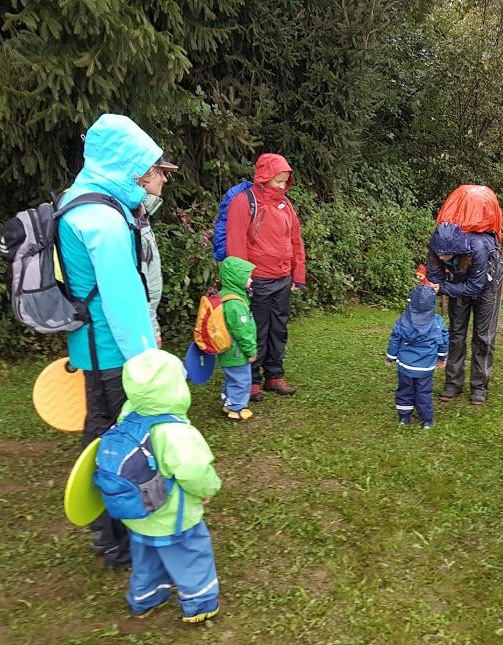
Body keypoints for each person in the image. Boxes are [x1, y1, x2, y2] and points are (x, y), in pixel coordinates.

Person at [58, 113, 173, 569]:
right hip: (112, 352)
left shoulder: (81, 201)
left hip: (93, 346)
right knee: (119, 444)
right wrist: (148, 364)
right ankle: (120, 541)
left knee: (102, 435)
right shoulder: (102, 221)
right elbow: (122, 299)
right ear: (130, 168)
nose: (156, 179)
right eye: (151, 170)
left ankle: (113, 534)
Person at [116, 349, 222, 624]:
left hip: (137, 513)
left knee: (146, 557)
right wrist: (209, 489)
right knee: (191, 553)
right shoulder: (176, 432)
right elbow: (194, 470)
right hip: (173, 515)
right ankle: (199, 602)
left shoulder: (127, 416)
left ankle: (144, 598)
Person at [225, 153, 306, 402]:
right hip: (257, 279)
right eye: (277, 181)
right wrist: (241, 279)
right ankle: (251, 379)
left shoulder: (286, 204)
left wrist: (298, 274)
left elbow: (295, 240)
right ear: (264, 178)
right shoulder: (243, 202)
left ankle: (274, 375)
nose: (282, 186)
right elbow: (236, 243)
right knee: (255, 330)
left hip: (282, 278)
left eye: (285, 181)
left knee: (278, 330)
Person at [426, 222, 503, 405]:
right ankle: (453, 383)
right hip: (459, 282)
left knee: (483, 337)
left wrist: (443, 288)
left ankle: (479, 387)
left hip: (487, 286)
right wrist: (436, 286)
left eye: (446, 253)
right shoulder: (435, 251)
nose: (441, 257)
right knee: (456, 333)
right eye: (439, 253)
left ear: (457, 248)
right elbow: (436, 278)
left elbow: (475, 286)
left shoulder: (478, 248)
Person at [385, 284, 449, 429]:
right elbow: (443, 341)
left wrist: (390, 357)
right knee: (424, 392)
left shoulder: (402, 321)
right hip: (425, 367)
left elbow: (395, 340)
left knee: (404, 390)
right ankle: (427, 420)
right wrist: (442, 357)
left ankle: (404, 417)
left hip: (405, 366)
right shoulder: (437, 322)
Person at [218, 256, 258, 422]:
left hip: (228, 350)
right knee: (241, 379)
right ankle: (237, 409)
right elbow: (242, 332)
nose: (251, 280)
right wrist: (251, 351)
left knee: (232, 377)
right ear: (236, 278)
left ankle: (228, 402)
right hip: (237, 351)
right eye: (247, 277)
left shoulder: (225, 296)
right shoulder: (235, 304)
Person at [137, 191, 170, 347]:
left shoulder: (143, 218)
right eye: (158, 176)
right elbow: (141, 290)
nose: (164, 180)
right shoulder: (135, 224)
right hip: (142, 329)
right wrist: (153, 330)